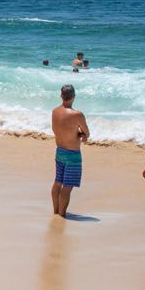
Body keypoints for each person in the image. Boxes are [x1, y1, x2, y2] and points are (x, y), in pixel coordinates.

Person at [50, 84, 90, 218]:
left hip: (59, 151)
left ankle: (56, 211)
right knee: (67, 187)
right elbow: (86, 134)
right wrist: (80, 134)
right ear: (73, 96)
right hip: (72, 155)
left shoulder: (55, 111)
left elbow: (57, 129)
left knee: (57, 182)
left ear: (61, 96)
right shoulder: (77, 114)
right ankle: (62, 215)